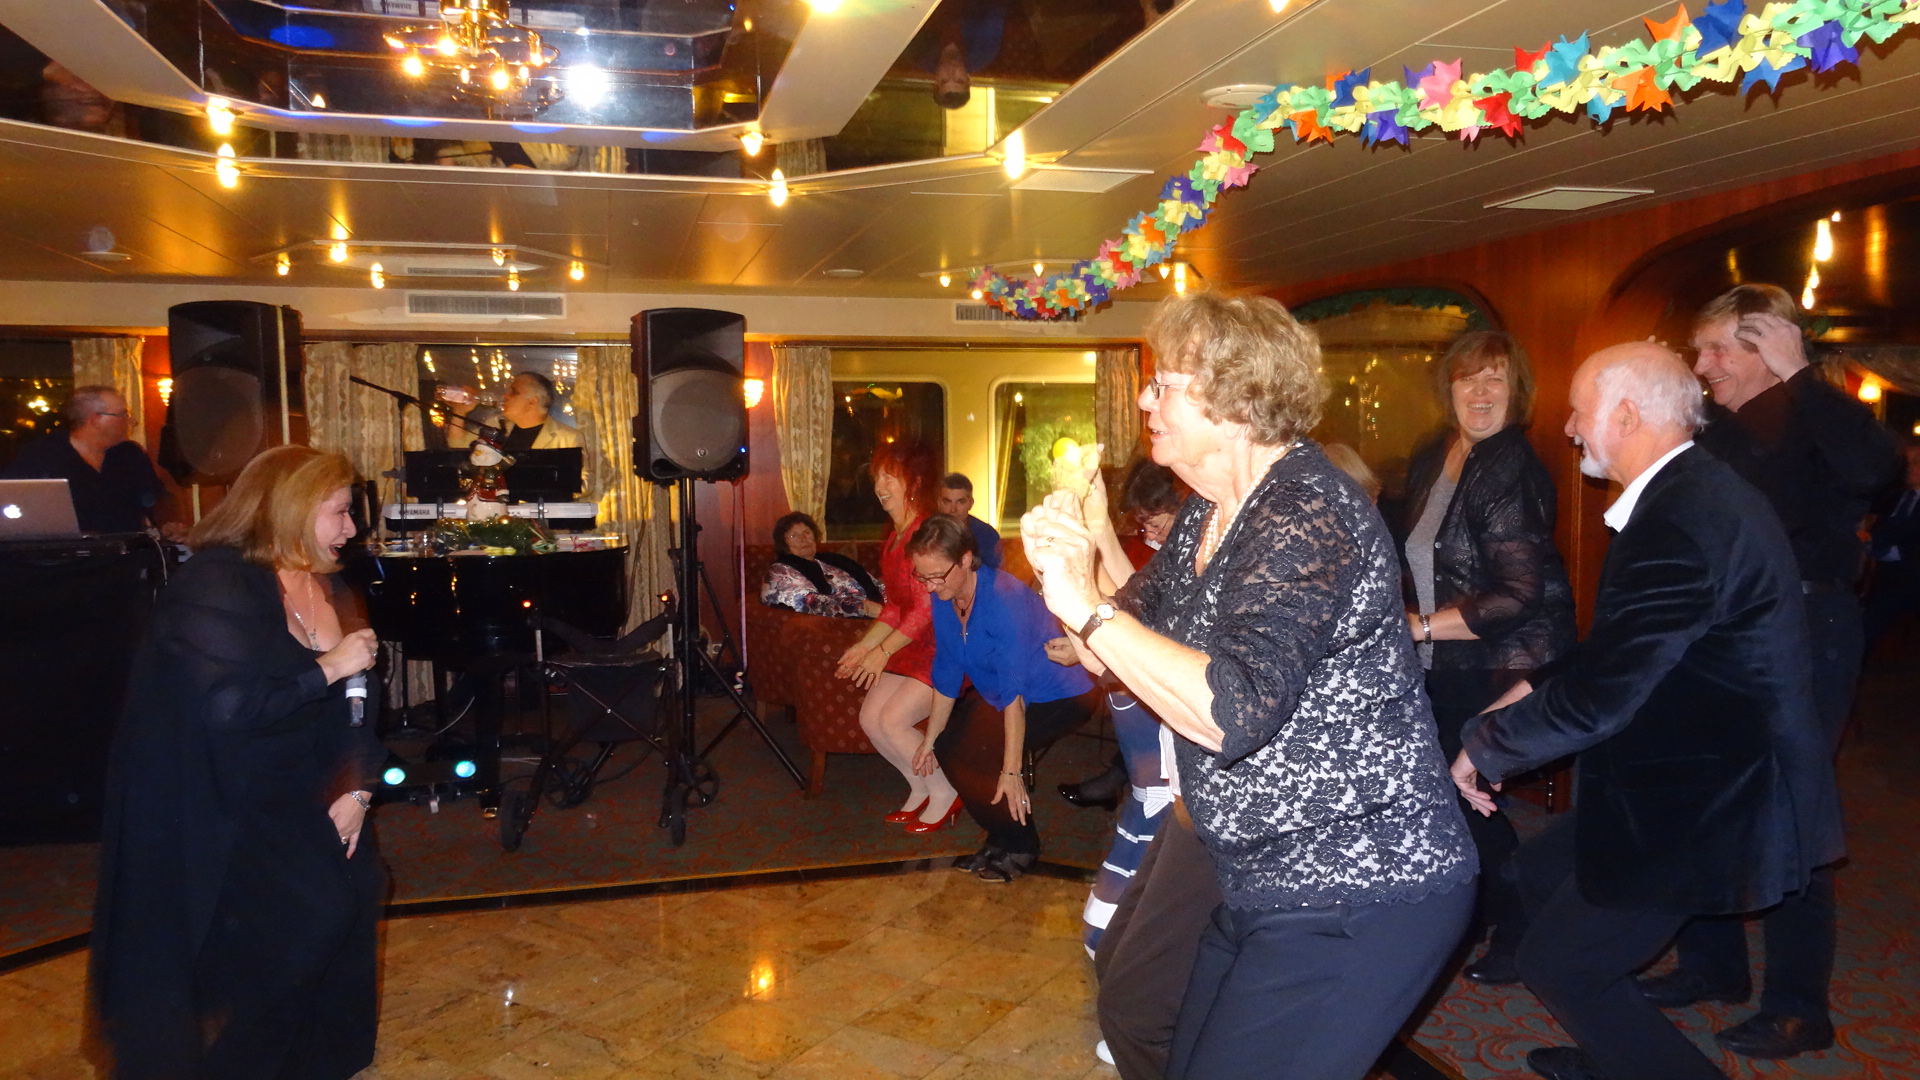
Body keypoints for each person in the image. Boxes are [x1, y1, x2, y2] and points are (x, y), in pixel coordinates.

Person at [1024, 292, 1477, 1080]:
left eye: (1164, 384)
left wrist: (1086, 604)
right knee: (1164, 1043)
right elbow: (1110, 653)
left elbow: (1229, 713)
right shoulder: (1209, 513)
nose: (1145, 401)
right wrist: (1077, 559)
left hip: (1359, 882)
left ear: (1236, 404)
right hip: (1260, 874)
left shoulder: (1307, 510)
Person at [1452, 342, 1843, 1080]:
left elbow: (1603, 695)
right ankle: (1619, 1054)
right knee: (1535, 871)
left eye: (1579, 411)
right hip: (1683, 774)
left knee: (1559, 965)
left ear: (1626, 415)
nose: (1570, 428)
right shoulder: (1689, 494)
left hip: (1712, 801)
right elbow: (1628, 650)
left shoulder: (1680, 519)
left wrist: (1486, 744)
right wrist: (1525, 694)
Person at [1648, 283, 1900, 1058]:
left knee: (1793, 809)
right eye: (1698, 350)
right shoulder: (1719, 427)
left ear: (1772, 347)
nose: (1703, 364)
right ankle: (1713, 965)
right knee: (1712, 796)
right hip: (1722, 630)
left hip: (1808, 629)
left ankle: (1798, 1006)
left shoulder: (1818, 411)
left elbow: (1876, 470)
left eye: (1719, 349)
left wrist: (1801, 375)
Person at [89, 445, 387, 1080]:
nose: (351, 528)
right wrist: (329, 667)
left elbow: (360, 706)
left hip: (311, 778)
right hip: (226, 791)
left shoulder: (326, 579)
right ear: (289, 510)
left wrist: (358, 788)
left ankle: (316, 1059)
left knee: (357, 892)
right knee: (307, 920)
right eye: (338, 512)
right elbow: (228, 709)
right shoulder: (216, 583)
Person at [1397, 331, 1575, 984]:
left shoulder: (1510, 468)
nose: (1480, 391)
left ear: (1516, 390)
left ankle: (1521, 929)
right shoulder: (1436, 455)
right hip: (1443, 657)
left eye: (1495, 377)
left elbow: (1518, 595)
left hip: (1500, 661)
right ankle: (1472, 915)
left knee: (1465, 798)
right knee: (1443, 797)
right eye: (1467, 377)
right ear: (1447, 389)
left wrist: (1419, 628)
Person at [907, 514, 1099, 882]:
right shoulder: (945, 597)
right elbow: (947, 671)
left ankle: (1022, 845)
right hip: (1003, 695)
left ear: (966, 559)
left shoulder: (1003, 599)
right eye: (922, 576)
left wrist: (1011, 771)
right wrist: (929, 739)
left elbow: (1015, 695)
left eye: (936, 576)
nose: (929, 586)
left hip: (1060, 693)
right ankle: (1000, 835)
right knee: (947, 747)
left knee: (985, 756)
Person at [834, 439, 962, 830]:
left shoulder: (926, 533)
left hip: (941, 648)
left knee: (892, 721)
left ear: (915, 482)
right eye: (877, 477)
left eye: (890, 477)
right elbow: (894, 606)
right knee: (870, 720)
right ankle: (920, 787)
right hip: (910, 646)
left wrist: (882, 651)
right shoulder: (893, 538)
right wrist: (864, 646)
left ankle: (946, 792)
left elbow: (925, 609)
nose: (880, 486)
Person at [1059, 459, 1184, 812]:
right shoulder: (1170, 552)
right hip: (1152, 697)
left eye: (1156, 525)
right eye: (1145, 527)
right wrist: (1094, 516)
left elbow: (1143, 620)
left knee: (1158, 804)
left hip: (1174, 696)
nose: (1151, 536)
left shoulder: (1201, 552)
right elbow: (1130, 594)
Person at [3, 385, 185, 538]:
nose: (132, 421)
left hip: (125, 558)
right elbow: (13, 506)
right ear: (95, 419)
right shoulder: (41, 455)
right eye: (123, 415)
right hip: (61, 561)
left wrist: (168, 522)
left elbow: (156, 497)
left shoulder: (130, 454)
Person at [760, 511, 884, 618]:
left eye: (807, 532)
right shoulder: (780, 571)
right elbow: (809, 603)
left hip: (880, 615)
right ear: (784, 543)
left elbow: (875, 584)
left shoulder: (833, 560)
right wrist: (864, 608)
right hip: (844, 622)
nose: (803, 539)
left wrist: (890, 601)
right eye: (793, 535)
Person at [1864, 437, 1920, 649]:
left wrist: (1875, 545)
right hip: (1887, 575)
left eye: (1917, 461)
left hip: (1909, 577)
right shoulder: (1897, 497)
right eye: (1907, 462)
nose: (1910, 468)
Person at [445, 371, 581, 451]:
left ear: (532, 403)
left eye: (514, 392)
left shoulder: (568, 438)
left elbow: (582, 483)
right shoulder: (497, 425)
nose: (505, 395)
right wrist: (459, 412)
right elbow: (457, 445)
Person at [938, 472, 1004, 569]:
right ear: (939, 503)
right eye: (947, 502)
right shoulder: (928, 532)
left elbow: (998, 574)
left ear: (971, 503)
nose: (953, 509)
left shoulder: (987, 535)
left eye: (960, 502)